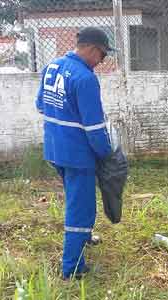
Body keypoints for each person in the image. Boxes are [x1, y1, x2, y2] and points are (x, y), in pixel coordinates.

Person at [35, 27, 114, 279]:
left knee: (75, 195)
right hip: (78, 154)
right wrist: (106, 153)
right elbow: (94, 127)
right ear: (91, 49)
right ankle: (72, 267)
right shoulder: (85, 78)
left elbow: (40, 104)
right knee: (80, 208)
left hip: (54, 148)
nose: (101, 62)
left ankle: (85, 237)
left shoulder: (52, 66)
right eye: (102, 56)